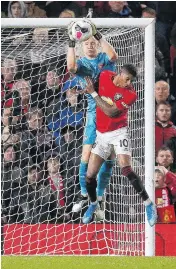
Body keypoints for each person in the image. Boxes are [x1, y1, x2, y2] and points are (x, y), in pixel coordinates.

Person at [81, 64, 157, 226]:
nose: (129, 83)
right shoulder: (105, 75)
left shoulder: (130, 94)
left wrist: (93, 93)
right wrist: (87, 89)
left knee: (126, 168)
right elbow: (95, 84)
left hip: (118, 133)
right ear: (120, 74)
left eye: (131, 80)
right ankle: (93, 204)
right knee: (89, 176)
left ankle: (148, 204)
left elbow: (111, 112)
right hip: (101, 135)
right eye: (127, 79)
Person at [67, 20, 118, 215]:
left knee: (109, 157)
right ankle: (82, 194)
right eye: (85, 43)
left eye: (92, 42)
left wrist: (98, 35)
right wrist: (71, 43)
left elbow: (114, 55)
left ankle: (100, 195)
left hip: (110, 112)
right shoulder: (81, 64)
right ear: (81, 46)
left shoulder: (105, 58)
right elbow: (71, 67)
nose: (89, 45)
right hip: (93, 113)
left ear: (96, 44)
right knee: (86, 155)